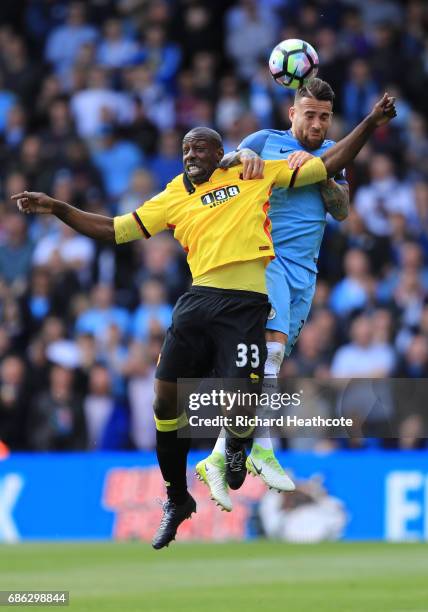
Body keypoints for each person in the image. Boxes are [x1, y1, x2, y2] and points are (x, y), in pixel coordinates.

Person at [12, 97, 396, 548]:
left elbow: (329, 161)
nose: (190, 156)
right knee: (164, 404)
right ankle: (177, 498)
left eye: (199, 150)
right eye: (185, 150)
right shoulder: (173, 194)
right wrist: (59, 208)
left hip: (247, 304)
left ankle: (236, 448)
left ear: (222, 154)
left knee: (243, 395)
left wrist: (370, 121)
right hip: (197, 302)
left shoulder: (253, 172)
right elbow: (115, 229)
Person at [197, 78, 362, 510]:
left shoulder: (331, 156)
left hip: (303, 275)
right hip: (264, 260)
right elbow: (221, 167)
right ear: (292, 113)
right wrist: (242, 154)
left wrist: (318, 170)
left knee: (263, 370)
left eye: (324, 116)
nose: (317, 123)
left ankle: (218, 455)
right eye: (309, 114)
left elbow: (342, 211)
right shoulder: (263, 140)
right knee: (266, 358)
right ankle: (263, 450)